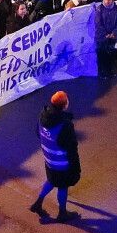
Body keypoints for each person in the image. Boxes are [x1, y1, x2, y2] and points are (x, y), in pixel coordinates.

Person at [28, 91, 81, 223]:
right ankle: (62, 213)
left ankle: (38, 203)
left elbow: (38, 133)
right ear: (64, 105)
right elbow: (71, 146)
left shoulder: (43, 116)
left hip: (49, 158)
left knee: (51, 180)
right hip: (61, 162)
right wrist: (75, 165)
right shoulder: (65, 124)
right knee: (62, 186)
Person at [92, 0, 117, 79]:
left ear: (112, 0)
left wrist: (113, 33)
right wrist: (105, 34)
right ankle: (101, 72)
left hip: (112, 36)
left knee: (110, 55)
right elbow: (98, 23)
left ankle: (109, 71)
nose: (107, 1)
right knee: (102, 55)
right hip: (101, 36)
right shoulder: (99, 9)